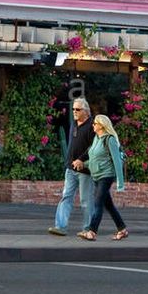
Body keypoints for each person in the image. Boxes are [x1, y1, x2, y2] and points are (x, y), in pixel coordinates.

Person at [77, 114, 128, 242]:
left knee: (97, 203)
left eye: (95, 123)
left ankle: (91, 231)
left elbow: (116, 161)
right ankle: (122, 229)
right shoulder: (96, 139)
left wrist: (120, 184)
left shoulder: (109, 139)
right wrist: (84, 163)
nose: (92, 125)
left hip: (106, 176)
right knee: (109, 205)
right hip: (96, 176)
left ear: (101, 125)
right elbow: (95, 159)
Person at [48, 97, 95, 236]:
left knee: (85, 201)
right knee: (66, 197)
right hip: (71, 169)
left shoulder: (92, 126)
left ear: (86, 111)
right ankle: (60, 226)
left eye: (77, 109)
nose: (74, 111)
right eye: (73, 109)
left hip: (85, 170)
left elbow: (94, 147)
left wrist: (81, 160)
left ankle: (88, 229)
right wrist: (69, 162)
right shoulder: (74, 124)